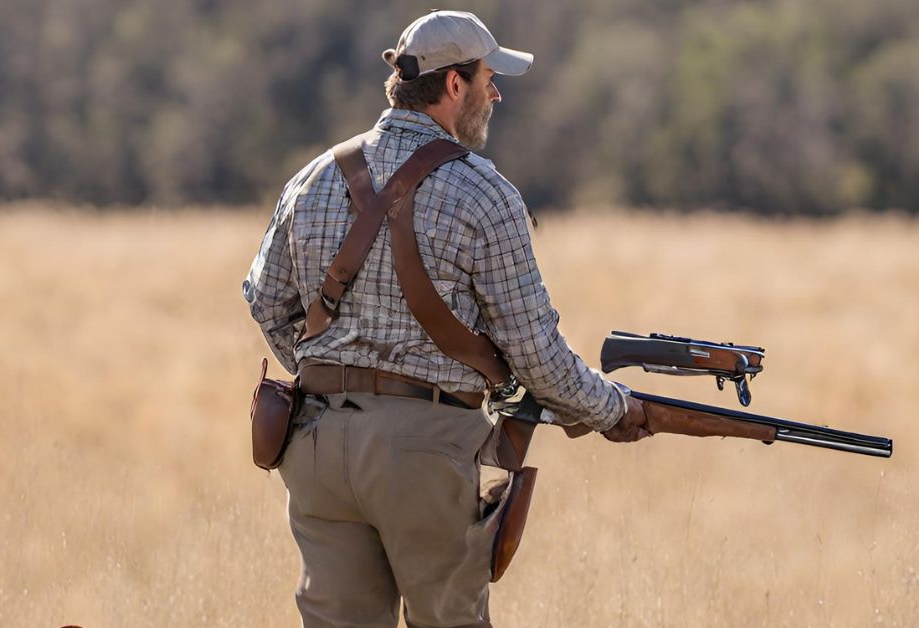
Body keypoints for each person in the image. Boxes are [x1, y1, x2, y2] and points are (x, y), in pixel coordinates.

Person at [244, 10, 651, 628]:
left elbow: (265, 300)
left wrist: (331, 374)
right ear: (453, 85)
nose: (497, 92)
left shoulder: (314, 177)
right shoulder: (485, 193)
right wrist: (615, 409)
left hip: (317, 445)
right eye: (489, 77)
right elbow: (536, 355)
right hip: (423, 451)